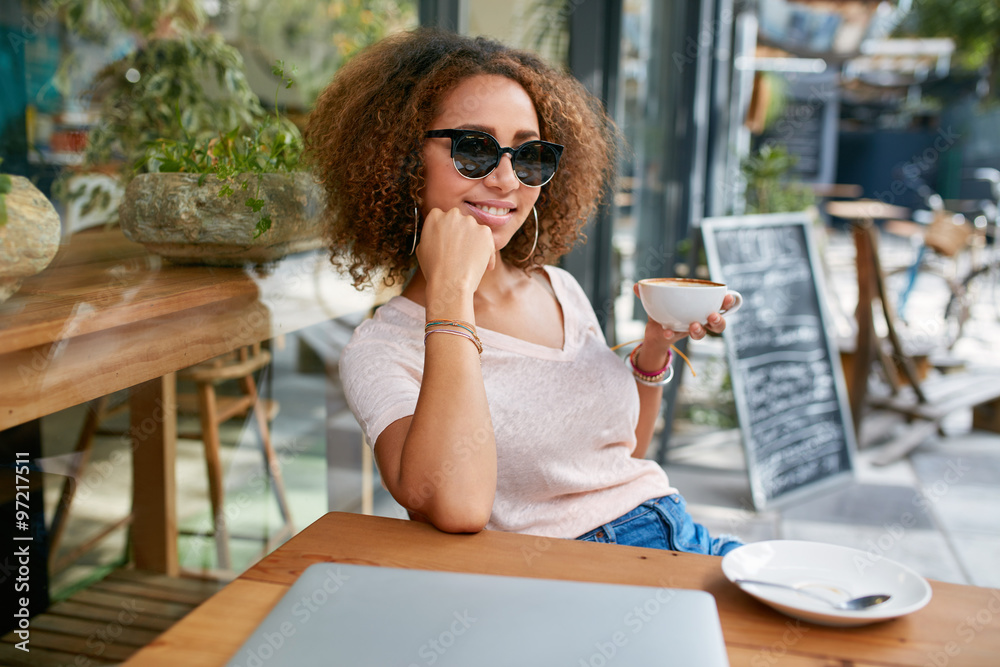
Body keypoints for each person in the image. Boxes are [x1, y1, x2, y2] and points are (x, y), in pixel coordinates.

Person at [304, 28, 742, 555]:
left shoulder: (560, 288)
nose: (507, 180)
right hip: (581, 576)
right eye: (474, 149)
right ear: (401, 161)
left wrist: (654, 349)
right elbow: (459, 507)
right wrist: (450, 292)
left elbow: (618, 458)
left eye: (529, 155)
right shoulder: (381, 350)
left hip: (678, 533)